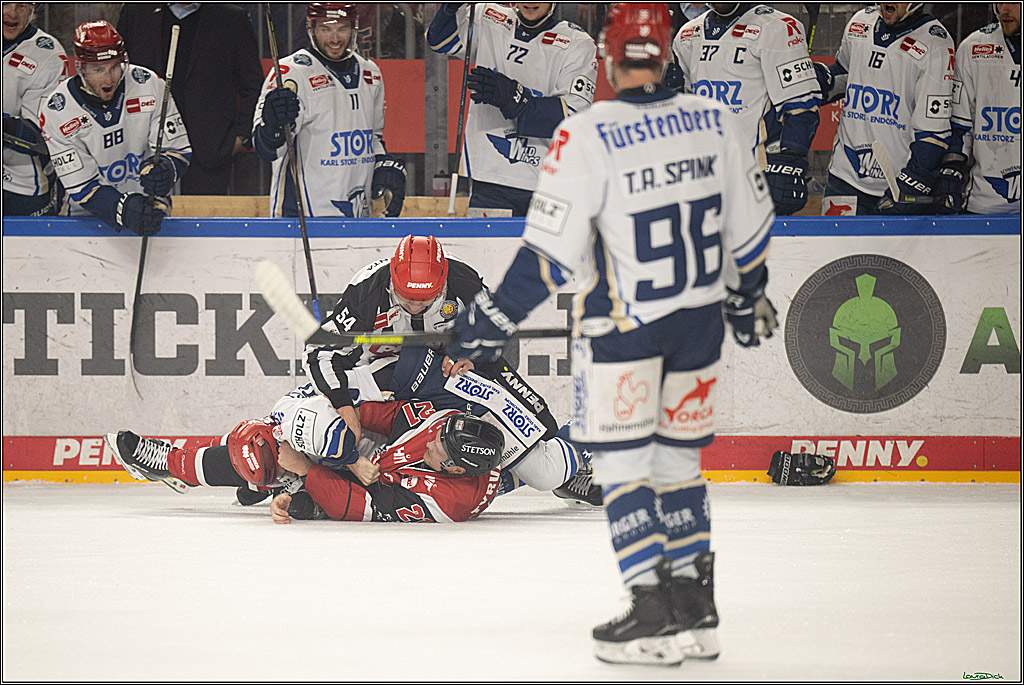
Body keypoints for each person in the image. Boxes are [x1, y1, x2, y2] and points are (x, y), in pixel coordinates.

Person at [446, 3, 778, 665]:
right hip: (697, 328)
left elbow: (548, 257)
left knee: (624, 470)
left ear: (608, 56)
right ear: (666, 55)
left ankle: (651, 614)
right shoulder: (716, 123)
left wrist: (484, 324)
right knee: (679, 466)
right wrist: (747, 299)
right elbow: (751, 231)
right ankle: (697, 611)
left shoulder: (588, 133)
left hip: (624, 332)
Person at [301, 234, 601, 506]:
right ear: (392, 279)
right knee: (444, 470)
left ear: (443, 283)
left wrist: (474, 355)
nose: (415, 307)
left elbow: (493, 334)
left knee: (543, 438)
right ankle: (550, 471)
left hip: (455, 379)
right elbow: (318, 352)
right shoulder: (367, 290)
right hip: (392, 382)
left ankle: (586, 435)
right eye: (406, 298)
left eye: (425, 300)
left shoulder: (463, 281)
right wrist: (343, 406)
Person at [104, 390, 507, 524]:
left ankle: (174, 466)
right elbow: (379, 415)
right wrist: (340, 435)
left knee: (262, 456)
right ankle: (190, 467)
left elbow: (358, 507)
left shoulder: (446, 503)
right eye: (437, 434)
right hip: (368, 458)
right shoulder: (444, 424)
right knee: (268, 437)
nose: (431, 440)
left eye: (438, 448)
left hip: (362, 490)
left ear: (456, 469)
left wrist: (305, 468)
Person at [426, 3, 598, 216]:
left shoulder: (578, 43)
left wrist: (515, 98)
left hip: (548, 183)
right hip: (490, 179)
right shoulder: (487, 16)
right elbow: (439, 41)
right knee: (487, 240)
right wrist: (451, 8)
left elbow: (572, 119)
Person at [252, 3, 406, 218]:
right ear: (312, 28)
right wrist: (272, 127)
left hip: (359, 215)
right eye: (326, 29)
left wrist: (383, 165)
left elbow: (373, 137)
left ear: (354, 28)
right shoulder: (291, 72)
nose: (335, 39)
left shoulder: (371, 73)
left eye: (342, 28)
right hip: (301, 218)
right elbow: (266, 149)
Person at [39, 20, 191, 235]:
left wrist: (167, 169)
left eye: (114, 67)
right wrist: (124, 209)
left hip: (150, 212)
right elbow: (81, 186)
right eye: (98, 69)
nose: (109, 78)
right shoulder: (57, 110)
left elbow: (179, 150)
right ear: (81, 68)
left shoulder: (149, 84)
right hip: (84, 220)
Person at [667, 3, 821, 215]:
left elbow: (801, 106)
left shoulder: (779, 27)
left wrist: (789, 161)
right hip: (705, 176)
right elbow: (679, 104)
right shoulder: (687, 34)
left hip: (757, 175)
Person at [815, 3, 954, 215]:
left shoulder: (936, 43)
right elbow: (844, 73)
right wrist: (816, 79)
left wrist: (912, 183)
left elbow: (933, 131)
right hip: (845, 179)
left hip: (896, 186)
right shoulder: (860, 22)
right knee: (835, 238)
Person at [116, 3, 264, 195]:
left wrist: (241, 137)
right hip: (143, 152)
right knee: (143, 213)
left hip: (210, 152)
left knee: (206, 215)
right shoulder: (136, 12)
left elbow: (253, 85)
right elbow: (118, 77)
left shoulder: (232, 18)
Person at [937, 3, 1020, 214]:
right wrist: (951, 175)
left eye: (1013, 2)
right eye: (1000, 2)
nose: (1004, 9)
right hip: (985, 205)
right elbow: (959, 128)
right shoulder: (974, 48)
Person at [3, 1, 68, 216]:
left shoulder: (47, 54)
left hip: (22, 185)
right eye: (5, 4)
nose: (12, 13)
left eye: (21, 6)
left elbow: (42, 138)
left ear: (33, 9)